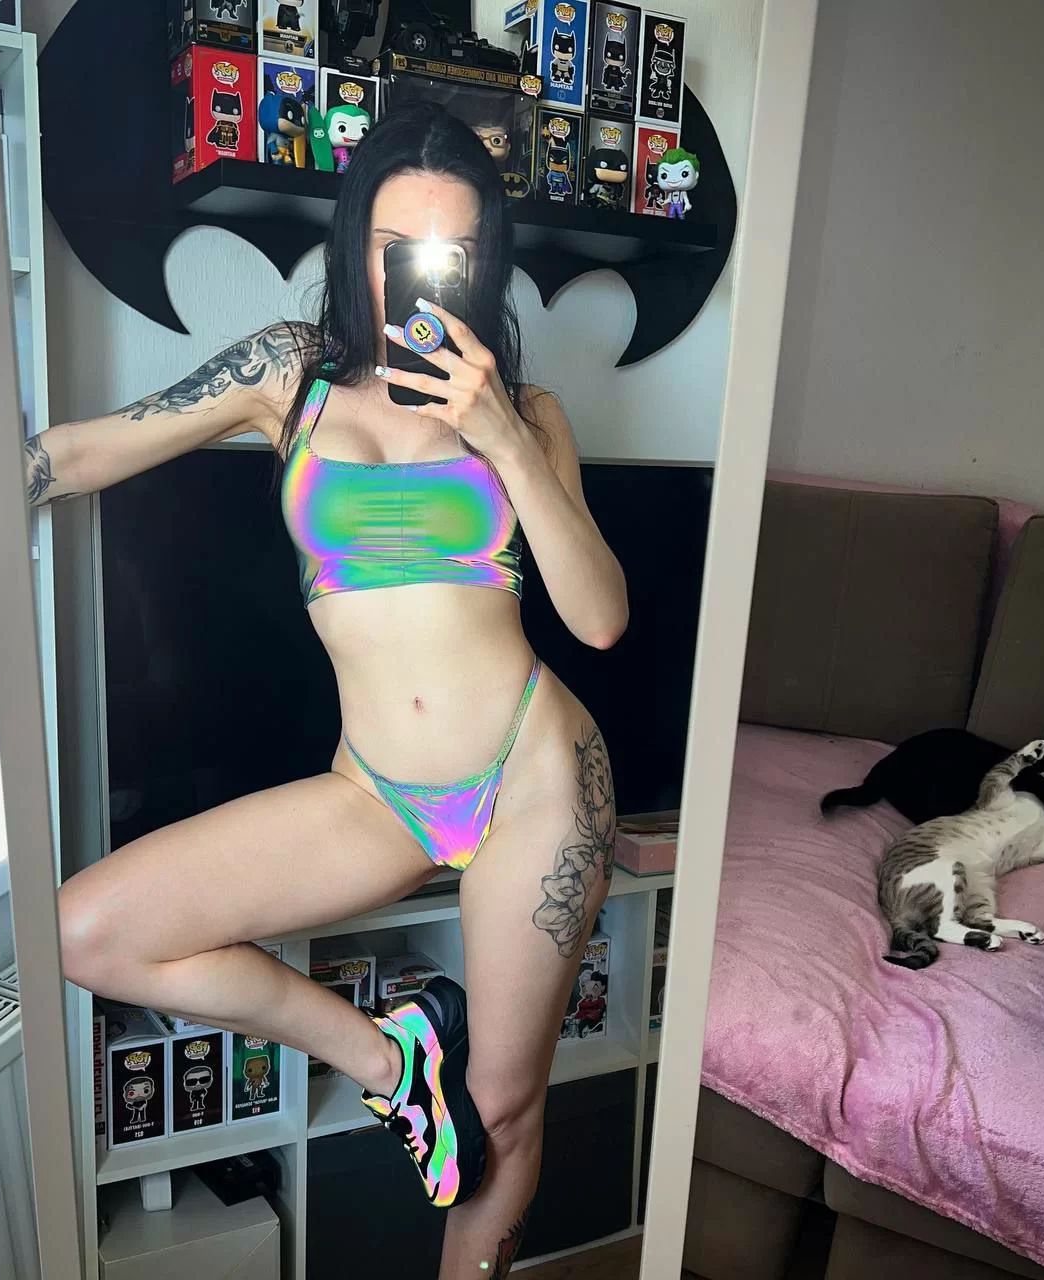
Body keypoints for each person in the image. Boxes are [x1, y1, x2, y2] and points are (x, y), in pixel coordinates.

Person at [31, 102, 626, 1277]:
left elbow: (599, 616)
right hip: (377, 794)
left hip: (534, 779)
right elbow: (98, 448)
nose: (419, 276)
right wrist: (19, 472)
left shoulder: (529, 415)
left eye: (450, 250)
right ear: (358, 243)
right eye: (394, 245)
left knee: (503, 1115)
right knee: (85, 929)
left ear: (481, 263)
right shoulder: (289, 374)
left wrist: (502, 436)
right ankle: (387, 1057)